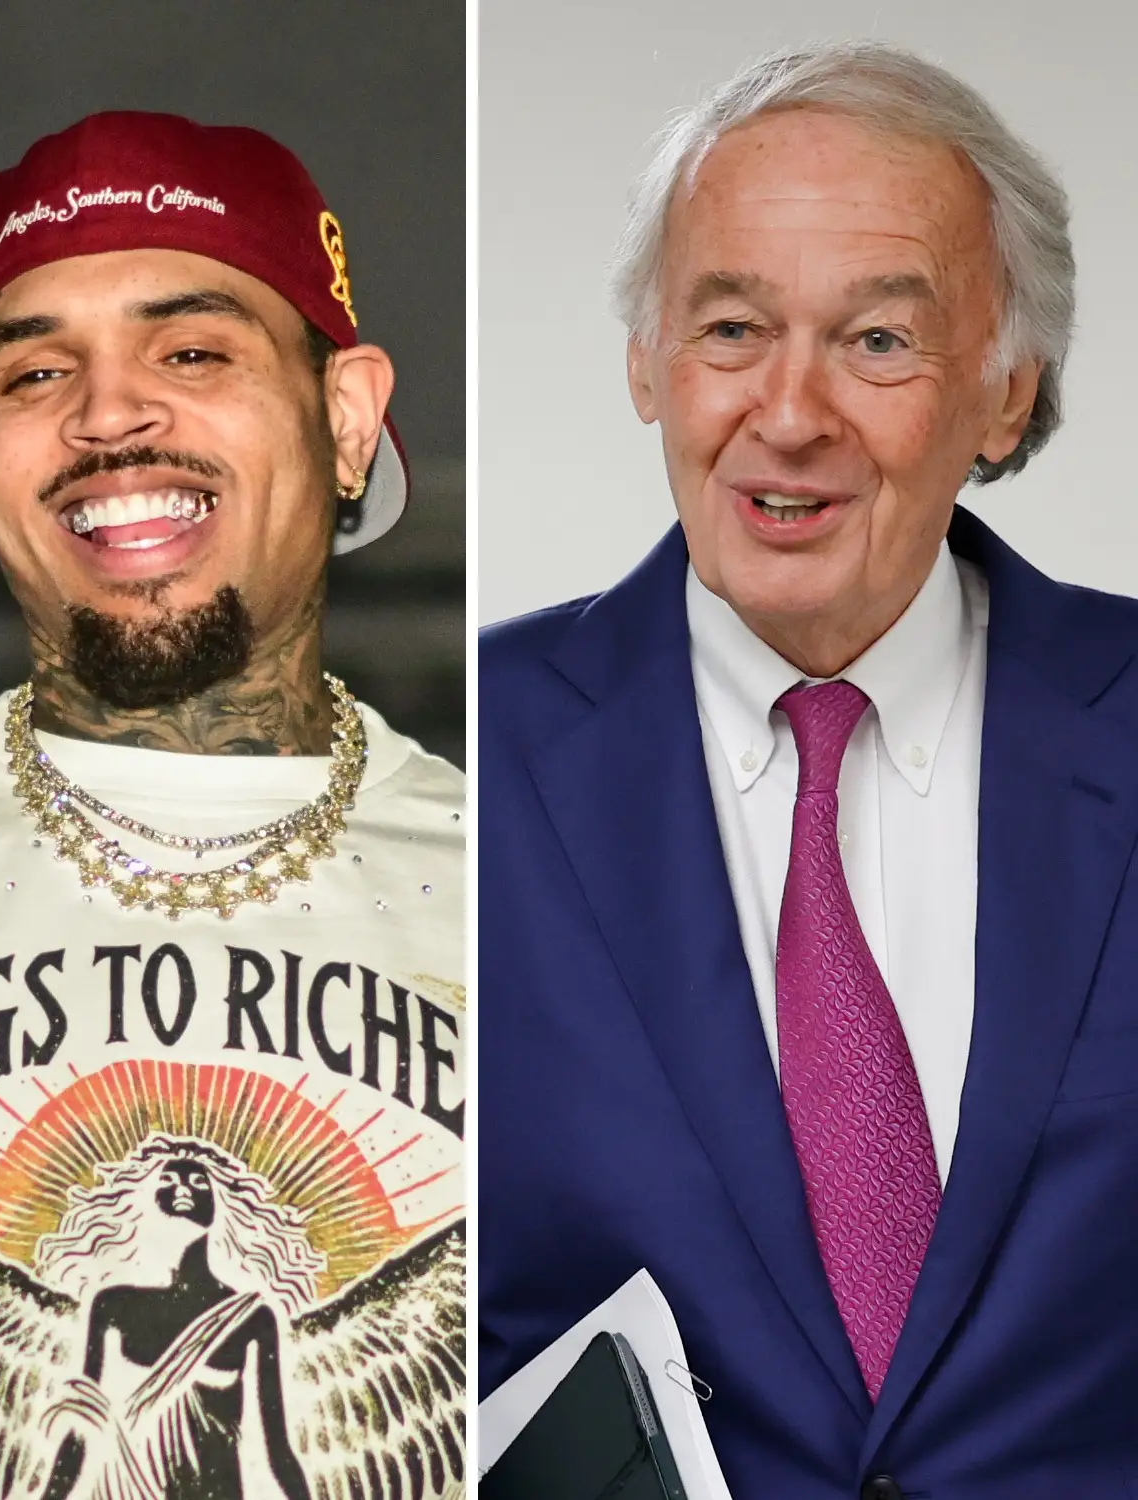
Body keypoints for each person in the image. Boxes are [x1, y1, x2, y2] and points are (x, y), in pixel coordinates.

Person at [481, 40, 1138, 1499]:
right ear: (647, 363)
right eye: (730, 329)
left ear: (1006, 393)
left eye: (879, 341)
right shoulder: (461, 758)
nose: (788, 412)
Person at [0, 112, 465, 1500]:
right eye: (38, 372)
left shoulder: (542, 890)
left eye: (192, 352)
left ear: (345, 419)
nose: (108, 417)